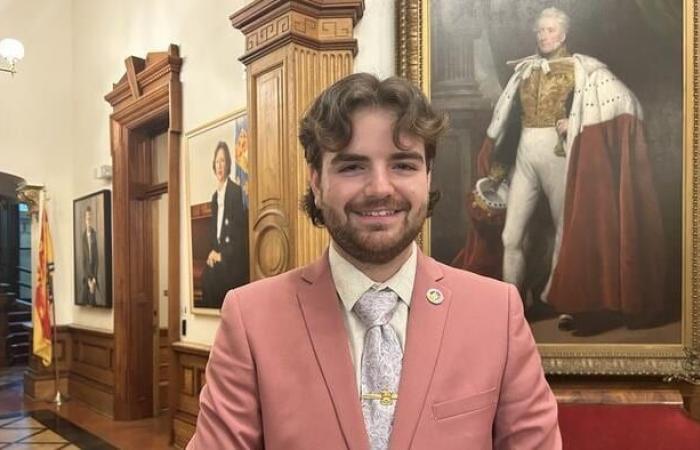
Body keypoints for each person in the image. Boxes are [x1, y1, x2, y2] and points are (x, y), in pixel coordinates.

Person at [188, 73, 560, 449]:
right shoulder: (251, 319)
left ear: (428, 177)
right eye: (352, 166)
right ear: (316, 182)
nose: (380, 188)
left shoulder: (497, 312)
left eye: (403, 165)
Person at [460, 7, 666, 334]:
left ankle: (565, 303)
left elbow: (623, 102)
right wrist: (498, 167)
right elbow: (508, 122)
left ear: (564, 34)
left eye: (550, 30)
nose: (543, 36)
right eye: (540, 30)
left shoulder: (584, 70)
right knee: (511, 234)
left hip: (560, 156)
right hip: (525, 156)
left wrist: (577, 121)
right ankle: (514, 305)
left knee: (565, 232)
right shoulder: (524, 71)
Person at [199, 141, 249, 308]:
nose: (220, 166)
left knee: (212, 277)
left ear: (228, 164)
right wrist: (213, 252)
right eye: (217, 162)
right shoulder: (215, 197)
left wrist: (221, 256)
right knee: (207, 275)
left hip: (233, 260)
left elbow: (239, 238)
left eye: (223, 161)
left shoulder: (235, 192)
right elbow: (215, 236)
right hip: (220, 257)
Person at [81, 206, 98, 306]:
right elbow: (83, 260)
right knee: (85, 300)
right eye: (87, 219)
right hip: (86, 274)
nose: (89, 221)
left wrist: (94, 279)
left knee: (93, 301)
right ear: (85, 220)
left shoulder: (95, 235)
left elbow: (97, 259)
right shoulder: (83, 237)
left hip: (94, 273)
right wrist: (88, 279)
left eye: (90, 219)